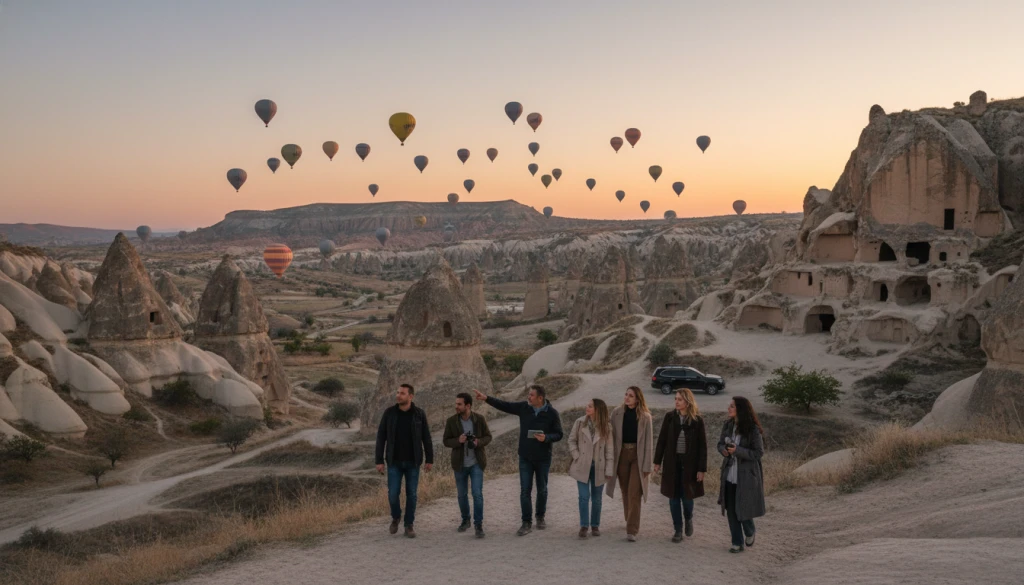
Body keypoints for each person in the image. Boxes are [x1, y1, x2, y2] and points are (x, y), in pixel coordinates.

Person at [474, 385, 563, 536]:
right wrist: (487, 398)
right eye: (529, 395)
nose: (528, 397)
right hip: (525, 457)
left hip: (543, 458)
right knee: (525, 490)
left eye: (531, 395)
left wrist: (546, 438)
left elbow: (559, 434)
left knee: (542, 490)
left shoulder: (552, 413)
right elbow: (505, 405)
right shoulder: (524, 407)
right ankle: (526, 522)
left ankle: (540, 517)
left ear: (540, 398)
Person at [375, 383, 433, 538]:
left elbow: (426, 438)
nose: (398, 395)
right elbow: (381, 437)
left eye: (402, 393)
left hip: (413, 462)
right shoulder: (389, 413)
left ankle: (409, 525)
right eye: (397, 392)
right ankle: (396, 516)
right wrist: (379, 460)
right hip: (394, 461)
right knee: (393, 494)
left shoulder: (419, 414)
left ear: (410, 396)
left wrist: (430, 459)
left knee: (412, 494)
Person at [653, 388, 708, 543]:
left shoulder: (697, 420)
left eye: (680, 399)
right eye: (675, 399)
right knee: (673, 497)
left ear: (687, 401)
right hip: (672, 463)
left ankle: (688, 517)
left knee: (688, 497)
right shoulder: (670, 417)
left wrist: (701, 469)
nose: (676, 402)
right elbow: (662, 440)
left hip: (690, 465)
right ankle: (678, 529)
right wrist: (657, 461)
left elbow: (703, 446)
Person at [717, 396, 766, 553]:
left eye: (732, 406)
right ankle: (737, 543)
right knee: (731, 510)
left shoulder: (752, 429)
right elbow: (719, 444)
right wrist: (724, 450)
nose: (728, 408)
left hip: (746, 476)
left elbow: (758, 453)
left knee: (743, 509)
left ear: (740, 409)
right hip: (729, 474)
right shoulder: (728, 424)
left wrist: (737, 450)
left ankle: (750, 530)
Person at [607, 386, 654, 542]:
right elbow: (610, 437)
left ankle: (632, 529)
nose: (627, 398)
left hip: (638, 456)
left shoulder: (646, 417)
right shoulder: (616, 413)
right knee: (625, 490)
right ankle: (629, 517)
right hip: (621, 455)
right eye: (626, 394)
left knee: (635, 491)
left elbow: (649, 443)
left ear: (637, 399)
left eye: (631, 396)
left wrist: (648, 466)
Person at [442, 392, 492, 538]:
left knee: (477, 494)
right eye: (456, 403)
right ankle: (466, 520)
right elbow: (446, 441)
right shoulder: (452, 421)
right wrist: (459, 440)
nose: (456, 406)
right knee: (462, 495)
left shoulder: (479, 419)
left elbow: (488, 436)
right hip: (460, 464)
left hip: (476, 462)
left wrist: (478, 442)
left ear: (468, 406)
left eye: (459, 404)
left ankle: (478, 525)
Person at [568, 398, 614, 539]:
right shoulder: (580, 422)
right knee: (583, 497)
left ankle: (595, 525)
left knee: (597, 498)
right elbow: (571, 440)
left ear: (598, 409)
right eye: (587, 405)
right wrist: (577, 456)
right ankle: (584, 526)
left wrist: (609, 469)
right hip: (582, 465)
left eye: (590, 406)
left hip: (599, 466)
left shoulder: (606, 427)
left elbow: (609, 450)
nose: (587, 408)